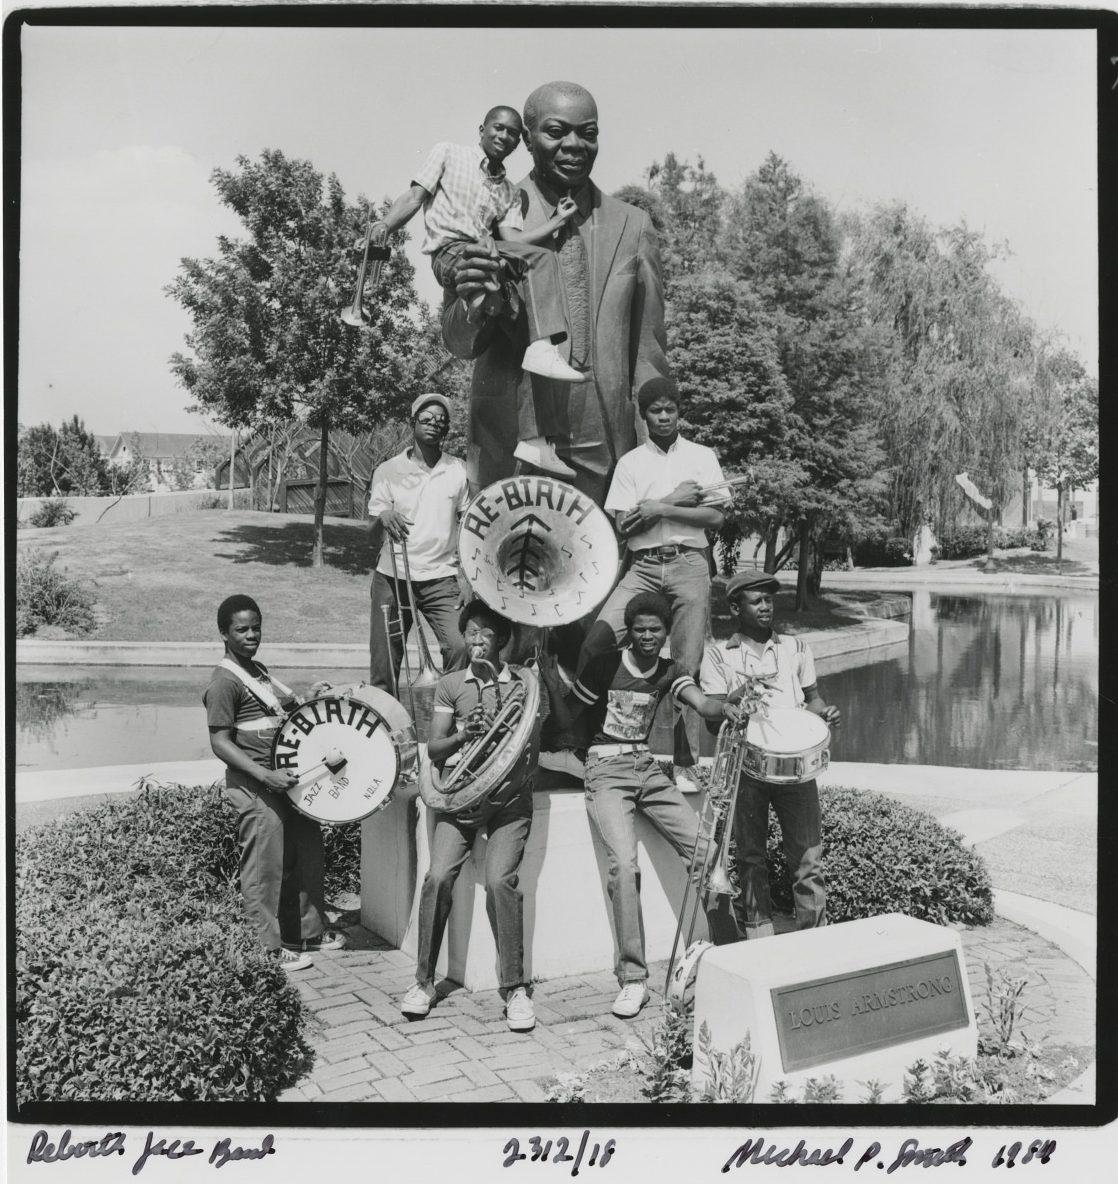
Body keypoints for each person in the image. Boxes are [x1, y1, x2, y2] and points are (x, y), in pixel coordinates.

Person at [440, 81, 672, 504]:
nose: (573, 145)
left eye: (588, 133)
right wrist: (472, 303)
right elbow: (457, 341)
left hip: (603, 447)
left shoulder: (633, 226)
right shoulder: (486, 212)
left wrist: (658, 459)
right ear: (527, 139)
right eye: (556, 131)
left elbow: (649, 357)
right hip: (511, 442)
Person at [546, 592, 742, 1018]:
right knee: (624, 864)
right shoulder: (604, 664)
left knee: (708, 852)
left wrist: (725, 707)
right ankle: (633, 979)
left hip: (647, 769)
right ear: (629, 632)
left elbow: (703, 704)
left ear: (666, 632)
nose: (648, 636)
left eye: (656, 629)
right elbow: (571, 714)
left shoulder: (671, 671)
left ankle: (729, 951)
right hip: (605, 769)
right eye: (640, 629)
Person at [370, 105, 588, 475]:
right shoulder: (448, 154)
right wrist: (385, 227)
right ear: (482, 129)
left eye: (512, 134)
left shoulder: (507, 192)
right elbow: (414, 197)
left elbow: (515, 240)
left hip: (489, 251)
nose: (504, 137)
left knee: (528, 310)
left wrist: (557, 221)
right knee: (499, 263)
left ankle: (536, 438)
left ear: (518, 143)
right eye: (498, 129)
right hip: (451, 252)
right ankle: (481, 305)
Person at [401, 599, 565, 1031]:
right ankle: (423, 982)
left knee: (499, 882)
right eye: (470, 632)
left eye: (486, 633)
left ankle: (514, 989)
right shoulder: (451, 684)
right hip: (463, 800)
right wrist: (461, 734)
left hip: (510, 801)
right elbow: (434, 749)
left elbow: (534, 740)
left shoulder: (525, 685)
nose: (476, 640)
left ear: (502, 641)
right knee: (437, 877)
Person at [565, 375, 730, 791]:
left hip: (690, 563)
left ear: (679, 411)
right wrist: (670, 501)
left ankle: (686, 762)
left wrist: (654, 509)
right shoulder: (631, 463)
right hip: (642, 566)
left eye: (669, 409)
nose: (663, 416)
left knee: (686, 664)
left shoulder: (701, 456)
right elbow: (624, 524)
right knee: (597, 642)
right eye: (654, 411)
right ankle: (584, 742)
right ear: (644, 417)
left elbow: (715, 518)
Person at [203, 594, 346, 972]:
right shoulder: (224, 683)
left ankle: (304, 933)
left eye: (256, 627)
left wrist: (309, 699)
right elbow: (220, 742)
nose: (251, 635)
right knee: (264, 869)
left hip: (285, 783)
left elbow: (278, 714)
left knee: (305, 853)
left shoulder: (258, 671)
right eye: (241, 629)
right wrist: (266, 775)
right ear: (224, 633)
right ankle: (265, 950)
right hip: (256, 787)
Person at [699, 573, 842, 939]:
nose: (766, 607)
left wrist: (824, 715)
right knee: (750, 858)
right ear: (735, 607)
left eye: (769, 600)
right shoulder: (718, 655)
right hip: (747, 768)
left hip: (796, 769)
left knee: (808, 860)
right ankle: (759, 939)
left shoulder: (796, 647)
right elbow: (713, 716)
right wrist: (733, 705)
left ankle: (815, 940)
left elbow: (813, 699)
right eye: (756, 601)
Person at [368, 393, 471, 694]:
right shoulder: (387, 471)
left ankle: (448, 720)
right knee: (384, 662)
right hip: (393, 576)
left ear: (447, 429)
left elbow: (467, 526)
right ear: (412, 424)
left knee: (460, 646)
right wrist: (383, 516)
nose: (434, 425)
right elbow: (371, 537)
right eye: (426, 419)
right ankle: (385, 732)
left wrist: (466, 578)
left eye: (441, 421)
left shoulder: (459, 470)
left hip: (441, 577)